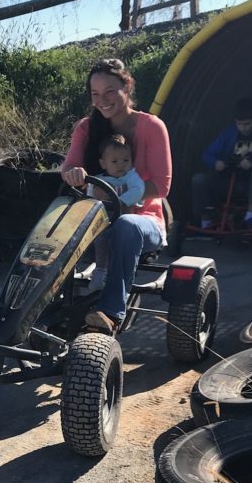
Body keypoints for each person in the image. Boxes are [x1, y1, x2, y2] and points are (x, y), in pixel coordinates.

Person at [61, 58, 172, 333]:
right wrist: (74, 173)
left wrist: (118, 197)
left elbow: (161, 186)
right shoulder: (86, 127)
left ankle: (110, 312)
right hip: (97, 216)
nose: (102, 101)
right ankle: (40, 305)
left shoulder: (152, 126)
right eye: (95, 94)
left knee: (126, 224)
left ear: (127, 87)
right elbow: (69, 166)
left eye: (110, 92)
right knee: (55, 221)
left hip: (143, 219)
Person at [191, 97, 252, 228]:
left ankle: (250, 214)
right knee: (199, 180)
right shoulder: (228, 133)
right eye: (239, 124)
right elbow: (207, 154)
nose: (243, 128)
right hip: (229, 180)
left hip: (251, 184)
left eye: (247, 124)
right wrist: (216, 163)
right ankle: (205, 221)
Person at [94, 133, 144, 210]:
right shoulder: (97, 180)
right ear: (103, 163)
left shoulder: (131, 176)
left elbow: (138, 190)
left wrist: (119, 202)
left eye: (126, 160)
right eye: (114, 161)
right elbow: (88, 194)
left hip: (126, 211)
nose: (121, 165)